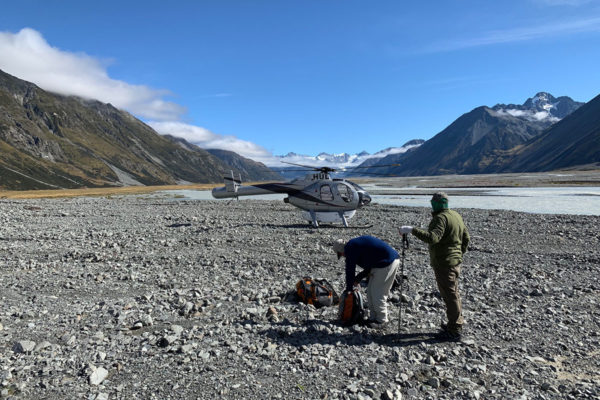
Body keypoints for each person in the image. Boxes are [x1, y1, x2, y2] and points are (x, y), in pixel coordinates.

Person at [399, 192, 470, 340]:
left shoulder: (440, 218)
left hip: (444, 263)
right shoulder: (456, 215)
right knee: (453, 293)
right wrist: (459, 253)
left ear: (436, 204)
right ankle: (455, 323)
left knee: (450, 295)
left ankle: (455, 329)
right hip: (455, 262)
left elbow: (433, 238)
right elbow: (466, 238)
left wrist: (412, 230)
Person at [332, 235, 400, 328]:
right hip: (381, 262)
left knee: (377, 293)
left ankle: (382, 320)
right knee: (370, 292)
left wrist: (349, 289)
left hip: (387, 262)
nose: (343, 256)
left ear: (342, 250)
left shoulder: (350, 248)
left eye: (341, 254)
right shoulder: (354, 245)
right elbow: (370, 262)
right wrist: (358, 278)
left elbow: (350, 270)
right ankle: (373, 318)